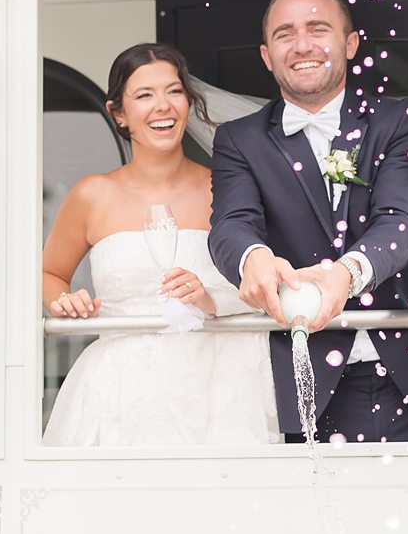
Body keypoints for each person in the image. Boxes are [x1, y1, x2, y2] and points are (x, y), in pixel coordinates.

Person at [208, 0, 408, 442]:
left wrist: (345, 274)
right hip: (310, 378)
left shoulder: (402, 120)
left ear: (349, 44)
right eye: (285, 34)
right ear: (267, 55)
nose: (302, 44)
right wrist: (254, 259)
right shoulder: (238, 140)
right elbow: (232, 224)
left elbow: (400, 221)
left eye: (318, 28)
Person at [41, 44, 279, 449]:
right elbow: (50, 275)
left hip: (219, 386)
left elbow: (266, 281)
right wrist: (63, 301)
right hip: (120, 392)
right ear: (119, 112)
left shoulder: (226, 187)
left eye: (173, 91)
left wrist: (211, 298)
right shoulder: (91, 195)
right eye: (144, 95)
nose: (162, 107)